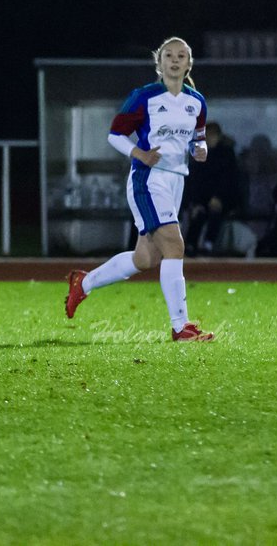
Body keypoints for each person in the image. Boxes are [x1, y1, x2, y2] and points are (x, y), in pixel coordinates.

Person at [64, 37, 215, 342]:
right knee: (175, 246)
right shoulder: (144, 97)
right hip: (148, 179)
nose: (174, 60)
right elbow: (115, 135)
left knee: (145, 259)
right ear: (159, 63)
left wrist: (200, 149)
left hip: (176, 180)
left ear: (189, 64)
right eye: (168, 55)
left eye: (181, 56)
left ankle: (84, 283)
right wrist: (139, 153)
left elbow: (197, 138)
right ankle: (180, 327)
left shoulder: (196, 102)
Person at [182, 121, 240, 254]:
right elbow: (195, 181)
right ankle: (190, 244)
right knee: (199, 213)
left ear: (219, 136)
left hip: (223, 199)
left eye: (212, 136)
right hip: (203, 199)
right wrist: (195, 202)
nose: (209, 139)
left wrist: (219, 197)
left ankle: (209, 244)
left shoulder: (227, 154)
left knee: (215, 212)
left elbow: (229, 181)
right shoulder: (200, 155)